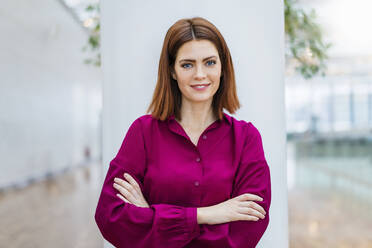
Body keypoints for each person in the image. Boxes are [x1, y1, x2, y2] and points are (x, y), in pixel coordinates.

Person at [95, 17, 271, 248]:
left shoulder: (246, 138)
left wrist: (152, 217)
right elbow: (111, 218)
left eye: (209, 62)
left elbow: (247, 229)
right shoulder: (142, 132)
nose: (200, 74)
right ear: (173, 71)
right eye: (187, 64)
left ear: (222, 67)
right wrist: (207, 214)